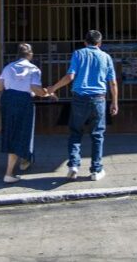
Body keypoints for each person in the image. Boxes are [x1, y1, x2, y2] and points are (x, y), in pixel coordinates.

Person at [47, 29, 118, 181]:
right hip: (99, 99)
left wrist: (53, 88)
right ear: (100, 43)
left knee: (75, 132)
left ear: (85, 42)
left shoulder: (78, 54)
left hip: (79, 98)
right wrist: (114, 102)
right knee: (97, 135)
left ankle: (73, 165)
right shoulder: (106, 57)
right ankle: (96, 170)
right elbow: (112, 82)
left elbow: (70, 76)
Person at [0, 43, 49, 183]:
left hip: (7, 100)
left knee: (10, 132)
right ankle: (10, 172)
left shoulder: (8, 67)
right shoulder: (34, 69)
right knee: (22, 132)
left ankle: (24, 159)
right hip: (23, 101)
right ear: (30, 55)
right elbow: (35, 88)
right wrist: (47, 93)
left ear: (18, 55)